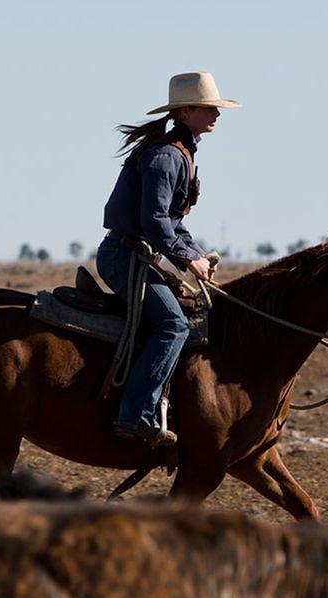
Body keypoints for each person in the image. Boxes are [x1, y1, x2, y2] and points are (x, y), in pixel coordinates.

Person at [98, 71, 239, 447]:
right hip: (124, 256)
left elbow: (172, 223)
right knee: (173, 326)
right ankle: (136, 415)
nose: (217, 115)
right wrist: (186, 260)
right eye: (210, 108)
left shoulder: (181, 152)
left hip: (136, 255)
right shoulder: (166, 156)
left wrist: (194, 255)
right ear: (187, 110)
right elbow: (154, 221)